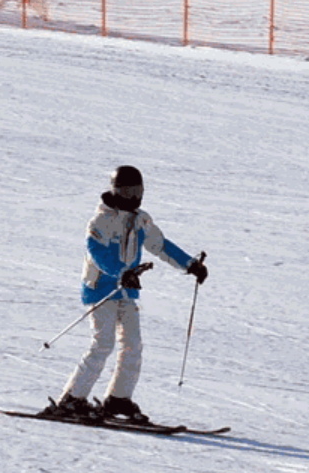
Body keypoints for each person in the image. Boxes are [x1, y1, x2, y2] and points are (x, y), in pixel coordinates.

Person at [42, 165, 208, 423]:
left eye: (137, 191)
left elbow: (161, 245)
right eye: (126, 191)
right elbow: (98, 255)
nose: (132, 197)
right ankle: (72, 399)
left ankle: (118, 398)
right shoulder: (101, 221)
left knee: (132, 344)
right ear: (115, 191)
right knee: (103, 343)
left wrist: (190, 264)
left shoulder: (141, 219)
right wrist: (121, 273)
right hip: (101, 290)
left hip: (127, 292)